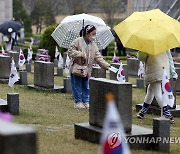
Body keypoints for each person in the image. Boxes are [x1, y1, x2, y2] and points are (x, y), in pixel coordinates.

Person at [68, 25, 111, 109]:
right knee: (77, 86)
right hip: (77, 68)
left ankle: (86, 101)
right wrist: (80, 54)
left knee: (86, 86)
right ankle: (78, 102)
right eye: (93, 33)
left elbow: (98, 57)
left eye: (95, 34)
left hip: (87, 69)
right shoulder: (77, 41)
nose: (94, 35)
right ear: (87, 33)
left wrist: (106, 65)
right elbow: (70, 52)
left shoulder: (93, 45)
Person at [136, 50, 178, 123]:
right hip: (164, 69)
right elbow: (170, 58)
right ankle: (142, 111)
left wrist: (140, 50)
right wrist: (173, 73)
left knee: (157, 92)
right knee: (150, 90)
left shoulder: (147, 44)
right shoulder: (163, 42)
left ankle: (167, 114)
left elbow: (141, 57)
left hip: (154, 70)